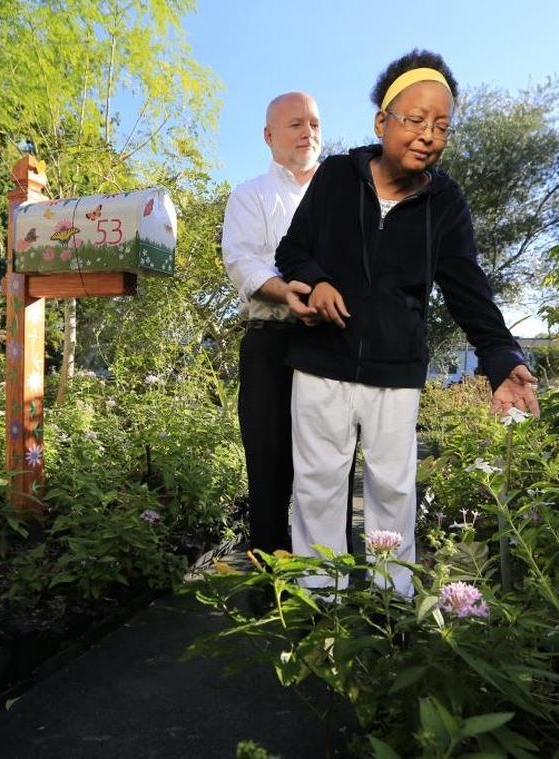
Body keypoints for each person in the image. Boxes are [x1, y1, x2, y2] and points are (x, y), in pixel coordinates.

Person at [275, 50, 540, 596]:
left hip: (396, 370)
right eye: (415, 120)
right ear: (382, 122)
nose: (428, 135)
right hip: (322, 363)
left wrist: (503, 359)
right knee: (318, 489)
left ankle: (391, 608)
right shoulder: (336, 179)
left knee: (393, 491)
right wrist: (318, 280)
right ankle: (316, 602)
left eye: (441, 126)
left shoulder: (445, 201)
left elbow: (468, 288)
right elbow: (291, 249)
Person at [221, 92, 321, 554]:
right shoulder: (250, 195)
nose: (309, 132)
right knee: (268, 465)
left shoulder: (342, 201)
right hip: (270, 344)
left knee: (327, 466)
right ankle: (268, 586)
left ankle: (330, 580)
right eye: (296, 124)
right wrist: (290, 292)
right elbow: (242, 261)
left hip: (328, 345)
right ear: (268, 135)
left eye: (315, 124)